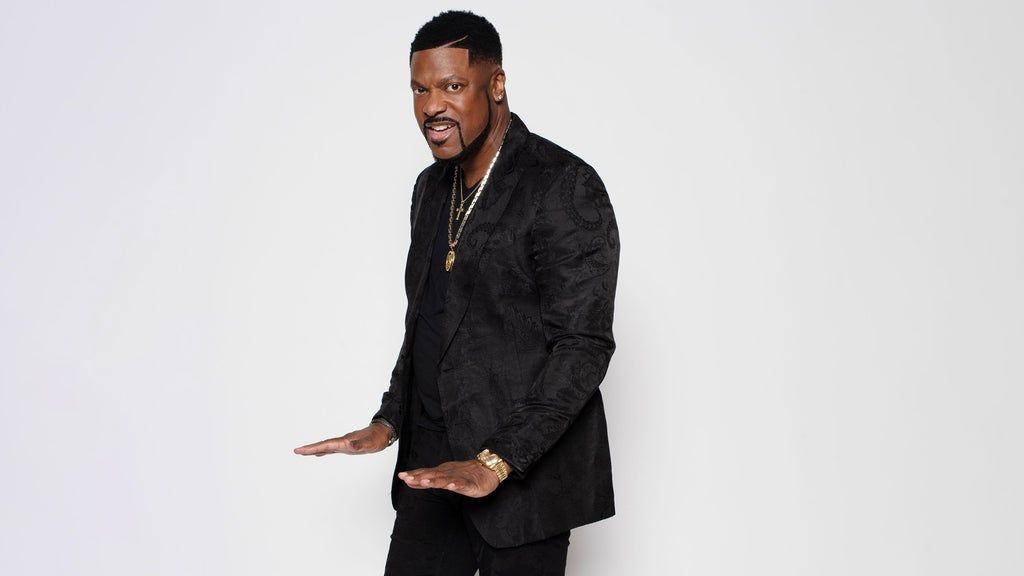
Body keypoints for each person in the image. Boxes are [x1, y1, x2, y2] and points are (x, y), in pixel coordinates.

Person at [294, 10, 620, 575]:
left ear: (496, 85)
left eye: (451, 86)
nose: (431, 107)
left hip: (525, 483)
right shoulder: (429, 189)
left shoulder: (562, 184)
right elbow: (427, 321)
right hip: (431, 468)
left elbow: (583, 346)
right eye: (419, 90)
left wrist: (496, 461)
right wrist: (390, 418)